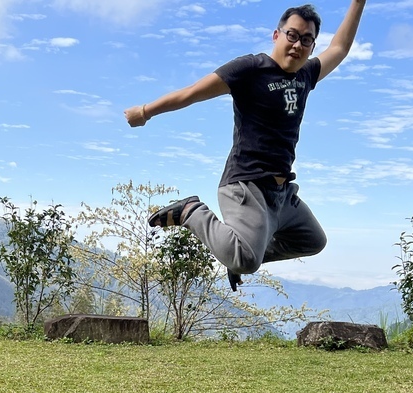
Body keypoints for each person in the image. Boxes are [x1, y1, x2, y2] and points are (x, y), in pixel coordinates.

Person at [124, 1, 366, 290]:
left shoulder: (306, 75)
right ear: (276, 35)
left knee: (313, 240)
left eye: (306, 39)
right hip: (246, 184)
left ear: (312, 46)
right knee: (246, 261)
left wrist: (358, 2)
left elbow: (339, 48)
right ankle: (192, 212)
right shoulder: (251, 68)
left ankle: (239, 252)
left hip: (282, 193)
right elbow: (192, 93)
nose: (297, 44)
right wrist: (146, 111)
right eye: (292, 35)